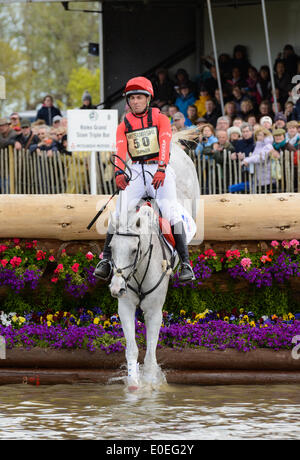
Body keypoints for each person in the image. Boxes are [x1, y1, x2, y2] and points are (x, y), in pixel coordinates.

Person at [94, 76, 195, 283]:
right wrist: (119, 172)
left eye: (139, 97)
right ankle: (106, 260)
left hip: (159, 169)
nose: (135, 102)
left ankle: (185, 263)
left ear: (147, 99)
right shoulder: (124, 125)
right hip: (136, 171)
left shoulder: (161, 119)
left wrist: (162, 168)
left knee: (170, 211)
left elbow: (165, 143)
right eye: (131, 98)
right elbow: (121, 149)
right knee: (120, 211)